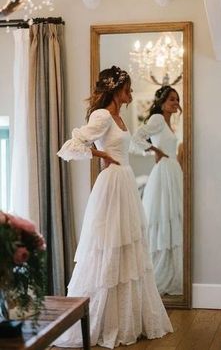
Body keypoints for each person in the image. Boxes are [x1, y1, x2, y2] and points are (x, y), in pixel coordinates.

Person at [53, 66, 173, 348]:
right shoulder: (102, 115)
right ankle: (101, 321)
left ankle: (129, 320)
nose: (131, 94)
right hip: (111, 186)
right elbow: (71, 145)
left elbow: (126, 148)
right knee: (107, 246)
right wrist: (98, 153)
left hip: (126, 183)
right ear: (116, 90)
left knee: (128, 248)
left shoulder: (119, 117)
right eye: (128, 89)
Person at [132, 86, 183, 296]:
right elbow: (136, 138)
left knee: (175, 218)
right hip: (163, 173)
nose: (175, 103)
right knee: (163, 217)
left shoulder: (170, 123)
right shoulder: (158, 119)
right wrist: (153, 149)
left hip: (173, 170)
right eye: (171, 99)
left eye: (177, 99)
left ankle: (174, 269)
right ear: (162, 102)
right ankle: (158, 271)